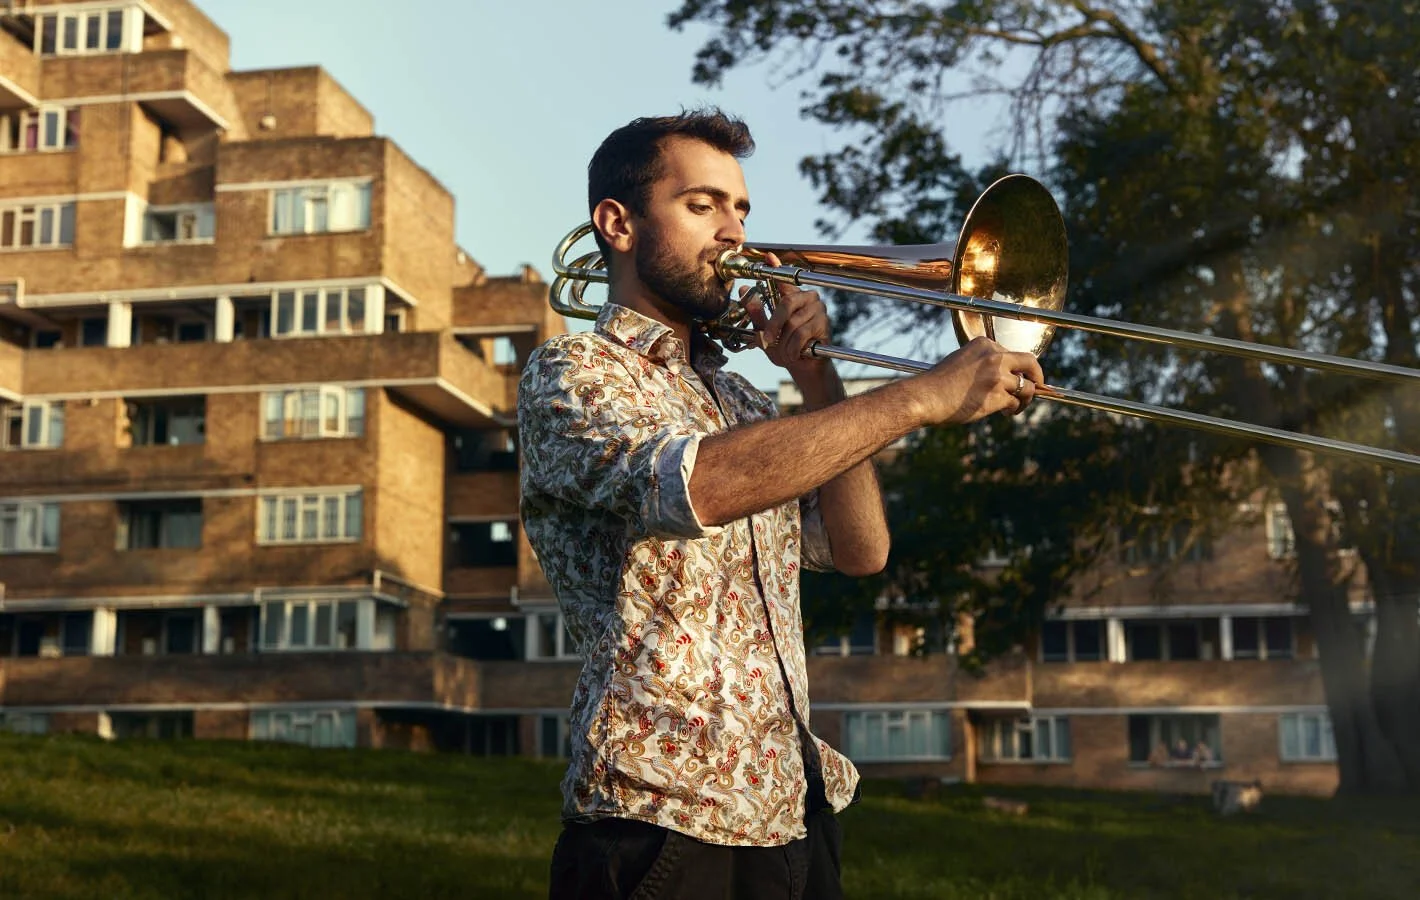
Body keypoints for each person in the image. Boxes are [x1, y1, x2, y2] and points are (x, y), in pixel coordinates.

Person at [518, 108, 1044, 900]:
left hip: (791, 812)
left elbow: (859, 549)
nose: (735, 233)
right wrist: (918, 399)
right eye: (702, 205)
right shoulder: (574, 371)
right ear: (617, 224)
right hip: (659, 812)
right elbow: (695, 485)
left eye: (741, 209)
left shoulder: (742, 399)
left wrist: (819, 381)